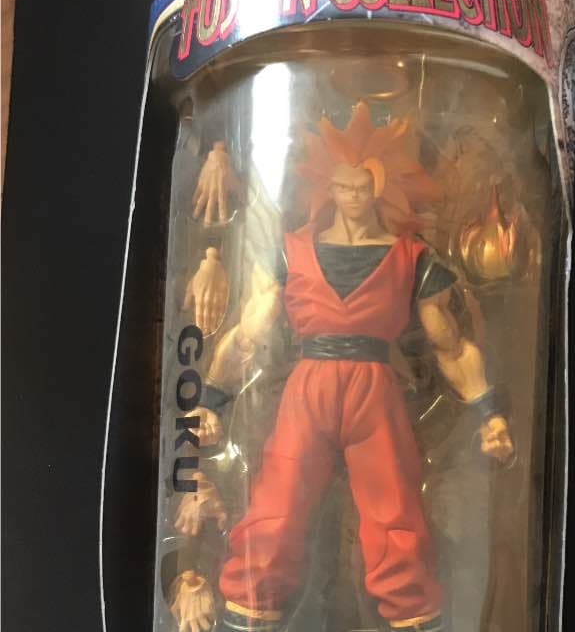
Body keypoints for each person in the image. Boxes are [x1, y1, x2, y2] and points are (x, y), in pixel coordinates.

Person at [171, 102, 513, 632]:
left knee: (395, 519)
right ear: (326, 186)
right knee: (274, 508)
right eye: (343, 185)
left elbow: (450, 345)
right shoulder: (290, 251)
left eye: (363, 185)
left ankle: (413, 617)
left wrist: (488, 409)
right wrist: (211, 398)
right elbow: (248, 333)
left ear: (381, 187)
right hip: (308, 388)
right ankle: (247, 613)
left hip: (375, 392)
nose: (353, 195)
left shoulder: (411, 257)